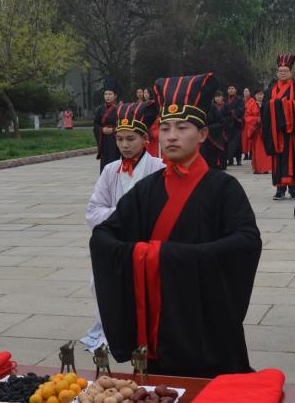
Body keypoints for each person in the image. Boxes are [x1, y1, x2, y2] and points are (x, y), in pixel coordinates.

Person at [90, 72, 262, 377]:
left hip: (206, 323)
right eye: (166, 128)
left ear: (203, 134)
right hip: (157, 323)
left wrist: (174, 257)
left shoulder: (223, 189)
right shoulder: (146, 189)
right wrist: (138, 255)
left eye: (182, 128)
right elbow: (104, 235)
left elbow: (247, 242)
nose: (171, 136)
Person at [80, 101, 165, 351]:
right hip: (117, 242)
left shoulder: (159, 168)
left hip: (146, 243)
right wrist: (124, 216)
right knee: (103, 283)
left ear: (145, 138)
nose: (124, 145)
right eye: (119, 139)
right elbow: (93, 211)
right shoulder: (110, 170)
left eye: (130, 139)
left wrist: (124, 217)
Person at [261, 53, 295, 200]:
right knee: (278, 160)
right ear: (277, 73)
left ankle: (293, 189)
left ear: (291, 73)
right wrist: (276, 105)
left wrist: (288, 105)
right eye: (280, 71)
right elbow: (264, 107)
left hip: (293, 133)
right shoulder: (271, 89)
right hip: (277, 133)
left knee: (294, 159)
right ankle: (280, 189)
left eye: (285, 71)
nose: (282, 73)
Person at [93, 80, 121, 173]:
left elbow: (122, 124)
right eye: (106, 94)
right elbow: (96, 124)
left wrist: (113, 129)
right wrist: (102, 129)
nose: (107, 96)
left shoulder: (119, 109)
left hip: (114, 139)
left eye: (110, 94)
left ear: (115, 96)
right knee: (104, 163)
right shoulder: (100, 109)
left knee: (114, 161)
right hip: (104, 139)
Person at [246, 89, 272, 174]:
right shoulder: (251, 105)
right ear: (255, 96)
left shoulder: (267, 104)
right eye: (258, 94)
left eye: (261, 94)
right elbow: (247, 117)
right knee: (258, 150)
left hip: (266, 130)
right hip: (257, 131)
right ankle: (258, 168)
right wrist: (257, 119)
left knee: (265, 150)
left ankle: (265, 168)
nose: (260, 96)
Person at [202, 89, 229, 170]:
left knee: (212, 158)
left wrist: (210, 128)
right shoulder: (199, 107)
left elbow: (222, 122)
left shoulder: (213, 107)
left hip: (213, 136)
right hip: (201, 136)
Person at [225, 84, 245, 166]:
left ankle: (238, 159)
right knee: (228, 142)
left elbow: (241, 110)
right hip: (228, 124)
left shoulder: (240, 99)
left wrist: (234, 112)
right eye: (229, 88)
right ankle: (230, 159)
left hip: (236, 124)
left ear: (235, 90)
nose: (231, 90)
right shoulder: (225, 100)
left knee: (238, 143)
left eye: (232, 88)